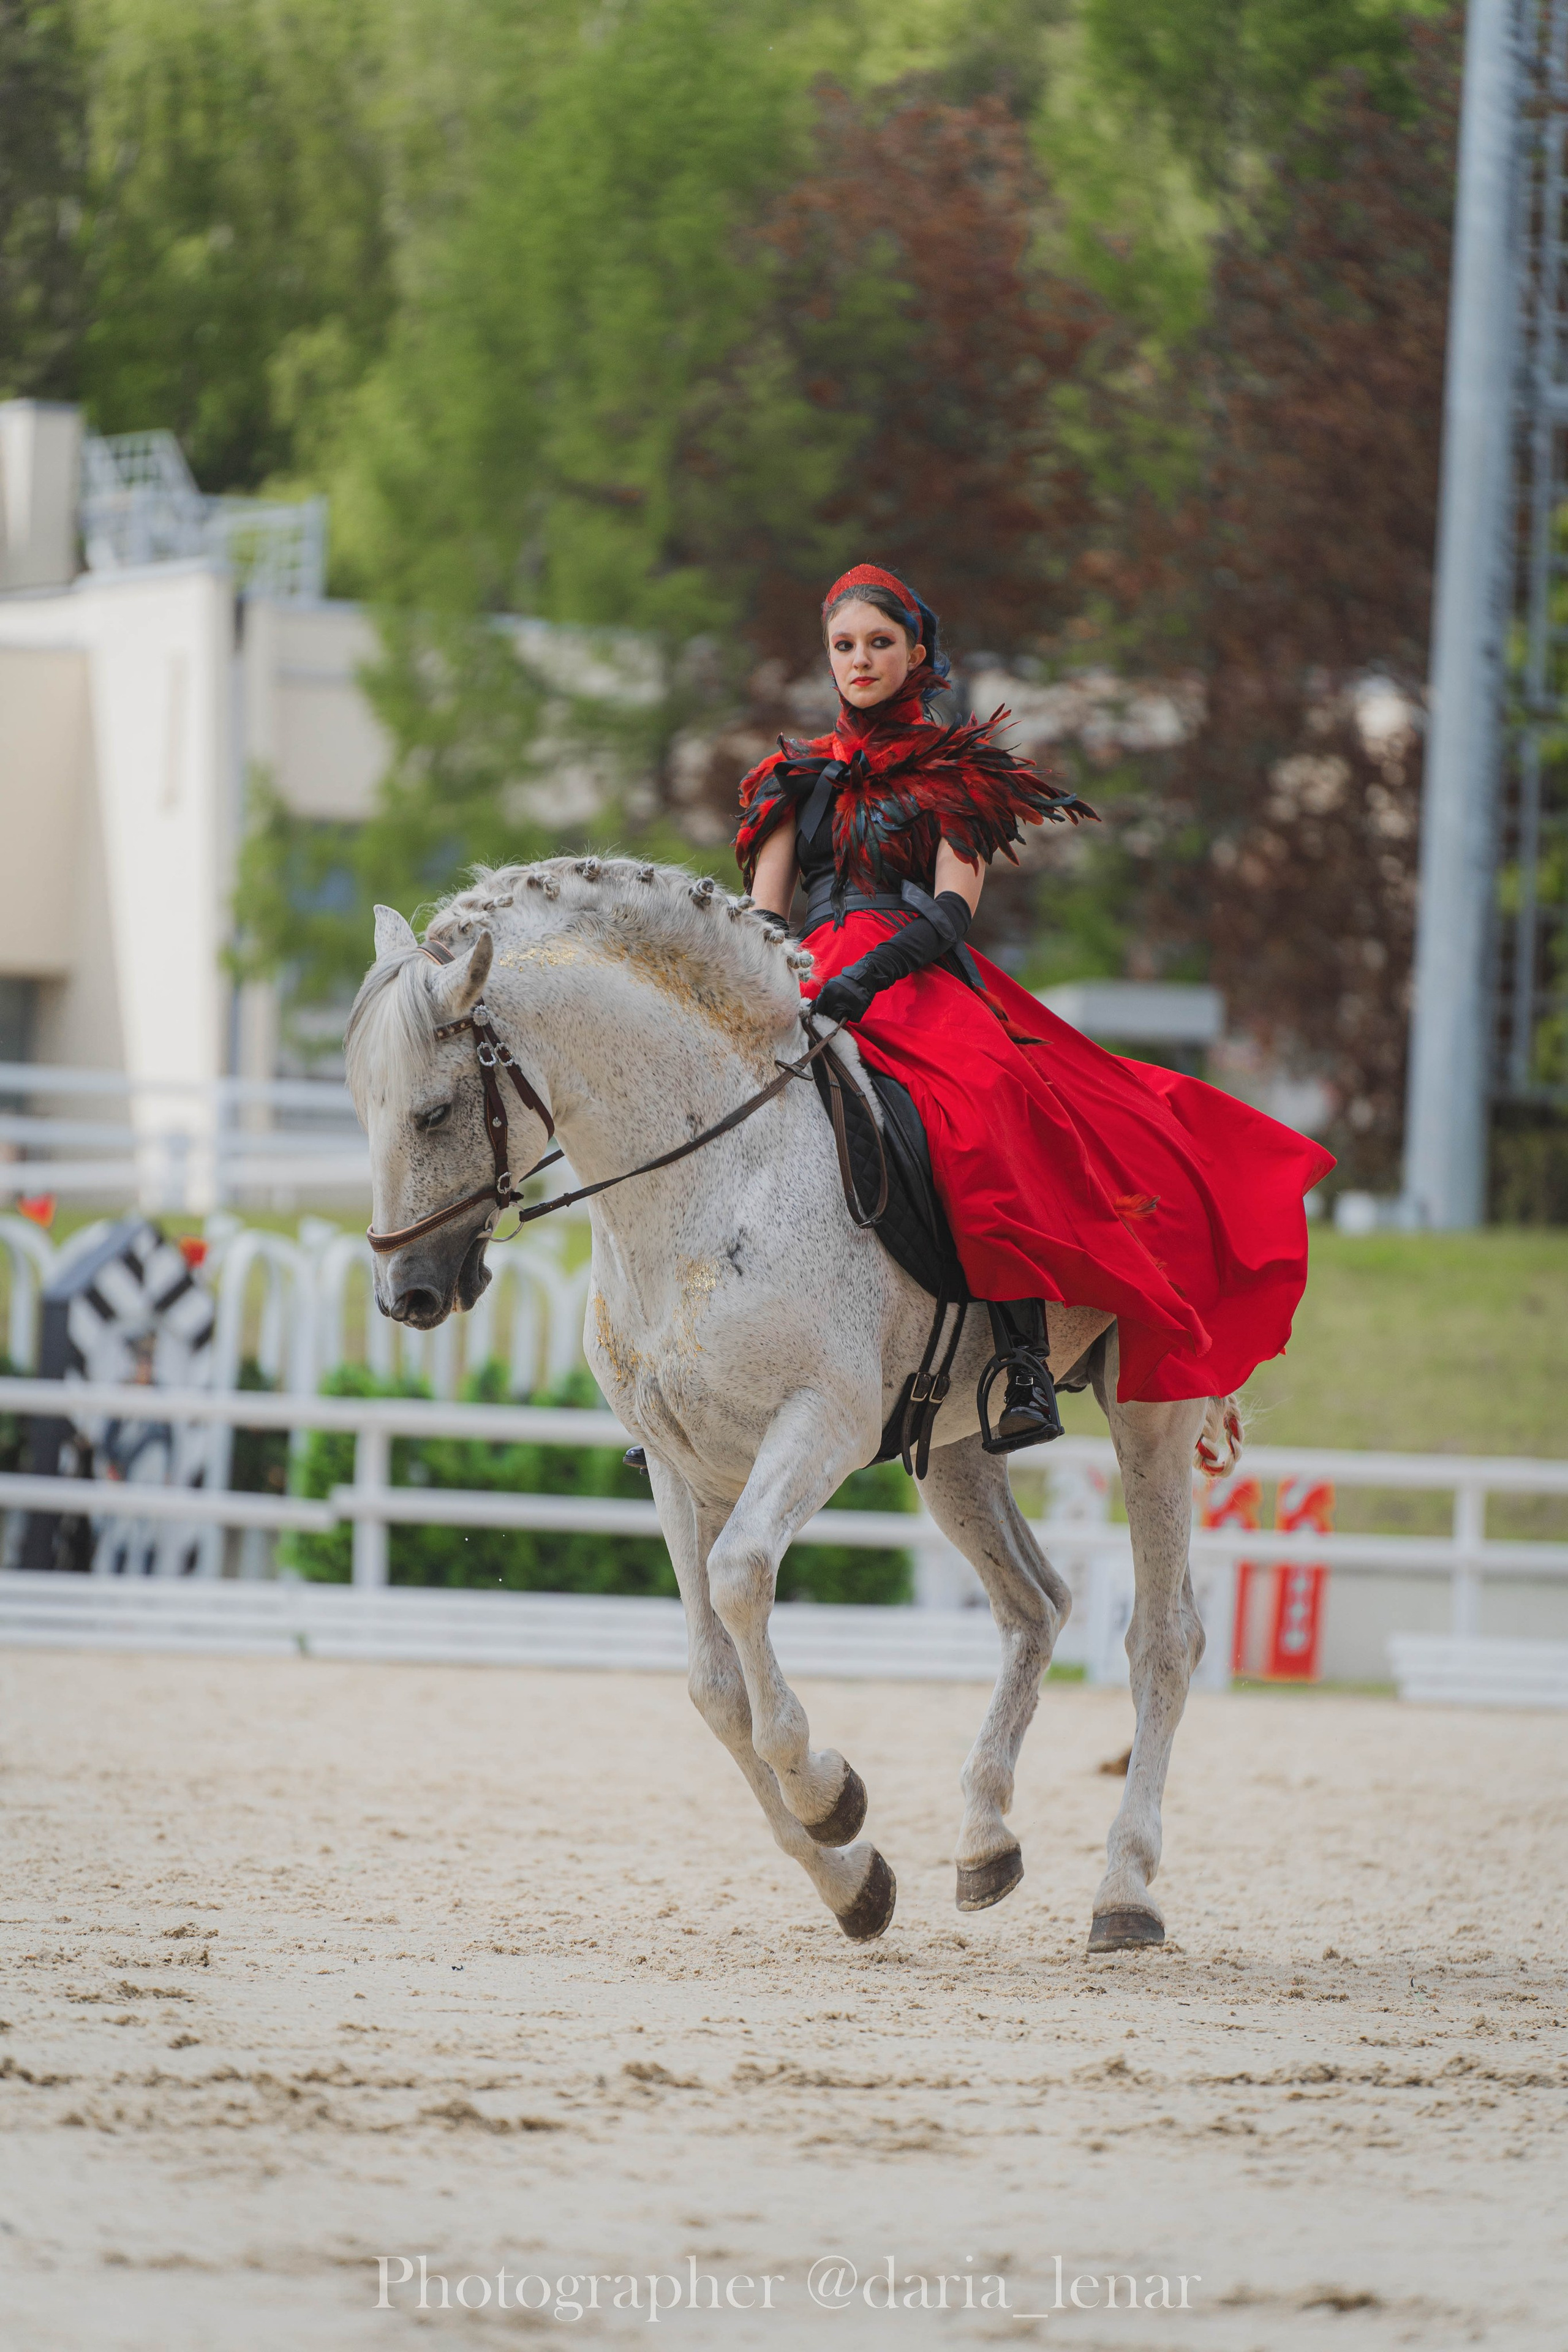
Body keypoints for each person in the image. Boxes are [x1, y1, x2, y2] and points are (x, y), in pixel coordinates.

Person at [736, 562, 1334, 1447]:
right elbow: (758, 916)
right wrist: (773, 985)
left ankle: (1022, 1359)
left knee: (983, 1112)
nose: (860, 661)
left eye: (879, 643)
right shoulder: (789, 780)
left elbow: (949, 910)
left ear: (917, 651)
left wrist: (873, 975)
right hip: (804, 974)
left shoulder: (957, 775)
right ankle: (705, 1367)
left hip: (914, 978)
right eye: (844, 646)